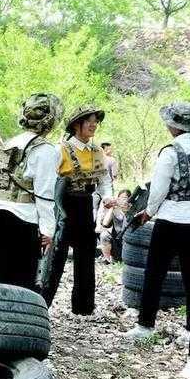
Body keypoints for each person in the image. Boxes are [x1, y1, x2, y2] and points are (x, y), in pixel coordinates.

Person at [124, 103, 190, 350]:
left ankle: (145, 324)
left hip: (171, 220)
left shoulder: (170, 152)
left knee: (155, 273)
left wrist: (148, 213)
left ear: (173, 126)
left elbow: (158, 190)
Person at [41, 105, 115, 315]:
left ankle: (83, 307)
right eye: (89, 121)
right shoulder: (60, 149)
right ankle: (42, 304)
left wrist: (107, 197)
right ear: (76, 125)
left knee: (86, 256)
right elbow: (50, 181)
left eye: (95, 121)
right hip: (63, 205)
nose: (93, 125)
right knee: (56, 256)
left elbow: (104, 181)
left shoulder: (98, 151)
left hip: (86, 205)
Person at [0, 93, 62, 291]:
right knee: (23, 285)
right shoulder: (46, 150)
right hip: (23, 218)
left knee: (1, 281)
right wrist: (48, 230)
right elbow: (45, 194)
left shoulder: (10, 143)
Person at [96, 189, 131, 264]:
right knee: (104, 235)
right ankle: (107, 259)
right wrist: (112, 207)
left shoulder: (133, 210)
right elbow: (105, 224)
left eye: (125, 198)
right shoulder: (115, 210)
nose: (123, 200)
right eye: (121, 198)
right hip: (117, 240)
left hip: (128, 240)